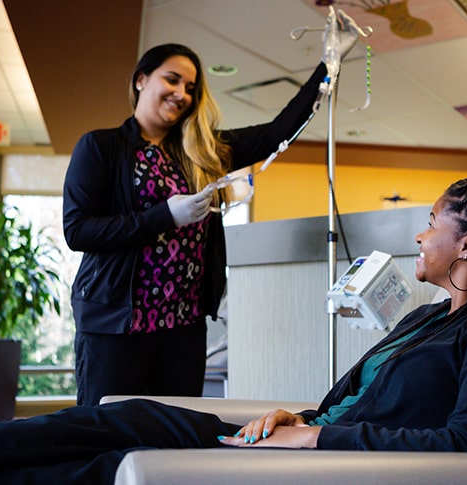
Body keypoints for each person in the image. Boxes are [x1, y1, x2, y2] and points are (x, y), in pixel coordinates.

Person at [0, 149, 467, 484]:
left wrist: (317, 444)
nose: (419, 238)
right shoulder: (429, 317)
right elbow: (355, 400)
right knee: (115, 415)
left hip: (326, 466)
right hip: (302, 438)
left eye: (432, 225)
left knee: (114, 462)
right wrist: (294, 416)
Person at [62, 10, 361, 405]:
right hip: (118, 327)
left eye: (190, 87)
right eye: (172, 79)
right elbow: (78, 231)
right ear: (141, 80)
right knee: (108, 433)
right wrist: (164, 216)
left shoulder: (201, 152)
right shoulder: (101, 147)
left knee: (174, 437)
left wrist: (329, 63)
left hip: (182, 329)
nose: (182, 94)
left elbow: (277, 131)